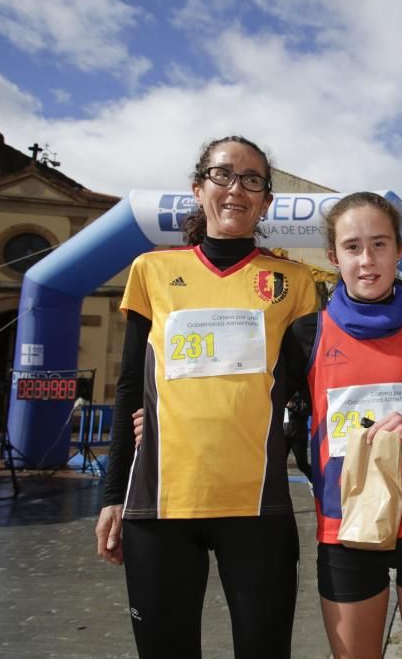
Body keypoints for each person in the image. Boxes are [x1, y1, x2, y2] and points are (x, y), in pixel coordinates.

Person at [94, 135, 318, 658]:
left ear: (265, 199)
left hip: (258, 505)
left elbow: (309, 391)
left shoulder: (293, 280)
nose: (236, 188)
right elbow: (131, 385)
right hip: (160, 504)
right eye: (223, 175)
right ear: (198, 188)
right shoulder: (150, 271)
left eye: (252, 180)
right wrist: (111, 496)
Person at [281, 192, 402, 658]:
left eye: (380, 245)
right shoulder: (306, 335)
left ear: (400, 251)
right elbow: (262, 414)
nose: (367, 260)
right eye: (353, 247)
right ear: (333, 256)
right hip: (345, 528)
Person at [284, 391, 312, 481]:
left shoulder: (302, 391)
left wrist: (293, 405)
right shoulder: (280, 391)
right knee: (278, 465)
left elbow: (308, 410)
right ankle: (282, 491)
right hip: (282, 434)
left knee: (302, 465)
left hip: (298, 434)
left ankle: (316, 483)